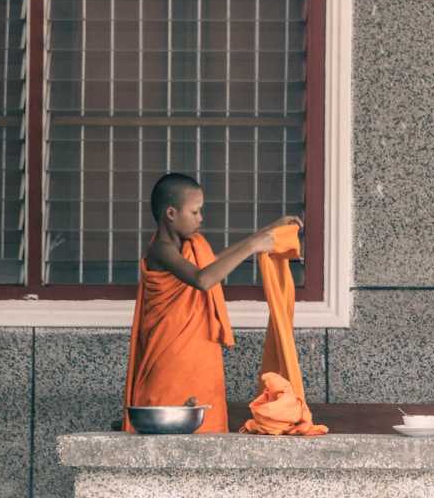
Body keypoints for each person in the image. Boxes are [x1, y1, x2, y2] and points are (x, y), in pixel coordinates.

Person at [122, 172, 302, 433]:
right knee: (169, 429)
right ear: (171, 213)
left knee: (204, 427)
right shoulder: (160, 249)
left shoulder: (191, 246)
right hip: (170, 358)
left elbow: (212, 265)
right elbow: (203, 279)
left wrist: (268, 231)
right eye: (195, 212)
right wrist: (253, 245)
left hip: (199, 353)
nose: (201, 218)